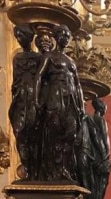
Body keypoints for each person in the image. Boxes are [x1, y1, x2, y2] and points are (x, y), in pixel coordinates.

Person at [34, 25, 85, 183]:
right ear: (56, 37)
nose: (65, 38)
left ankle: (64, 167)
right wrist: (37, 99)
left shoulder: (71, 61)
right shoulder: (49, 56)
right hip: (55, 98)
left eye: (67, 35)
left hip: (70, 100)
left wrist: (81, 107)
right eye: (62, 35)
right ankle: (54, 171)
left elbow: (77, 85)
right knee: (54, 135)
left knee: (71, 132)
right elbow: (39, 78)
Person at [8, 25, 40, 181]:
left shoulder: (38, 58)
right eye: (19, 37)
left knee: (34, 132)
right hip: (21, 99)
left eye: (24, 37)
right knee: (20, 132)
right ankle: (27, 167)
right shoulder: (17, 58)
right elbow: (15, 82)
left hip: (34, 99)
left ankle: (35, 169)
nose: (21, 40)